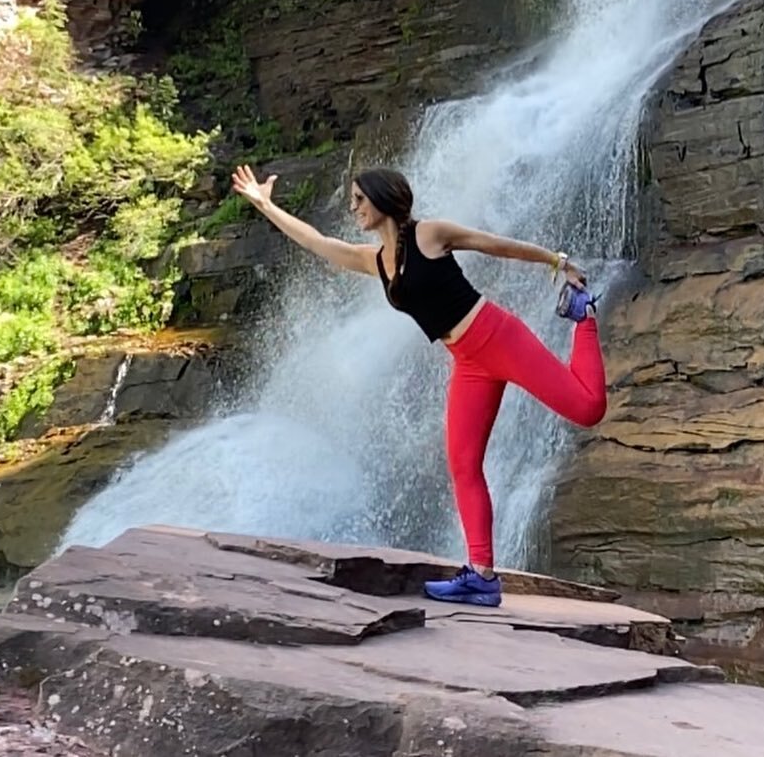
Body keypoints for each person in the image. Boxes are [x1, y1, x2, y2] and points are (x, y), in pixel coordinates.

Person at [230, 163, 608, 608]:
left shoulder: (430, 233)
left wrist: (556, 261)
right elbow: (319, 243)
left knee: (587, 410)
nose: (353, 209)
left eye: (359, 200)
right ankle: (482, 577)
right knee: (464, 465)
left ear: (382, 199)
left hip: (497, 336)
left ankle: (583, 317)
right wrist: (266, 206)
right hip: (467, 360)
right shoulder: (377, 261)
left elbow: (495, 245)